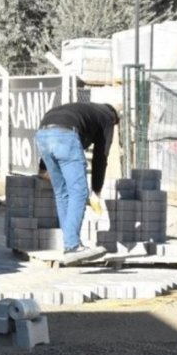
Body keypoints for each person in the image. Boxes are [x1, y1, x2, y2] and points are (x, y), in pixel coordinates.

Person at [34, 102, 120, 260]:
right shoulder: (108, 117)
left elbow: (53, 128)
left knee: (62, 194)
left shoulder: (86, 110)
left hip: (42, 135)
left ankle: (69, 244)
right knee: (79, 193)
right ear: (114, 118)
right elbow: (101, 156)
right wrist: (96, 190)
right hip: (65, 136)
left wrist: (42, 166)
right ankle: (73, 246)